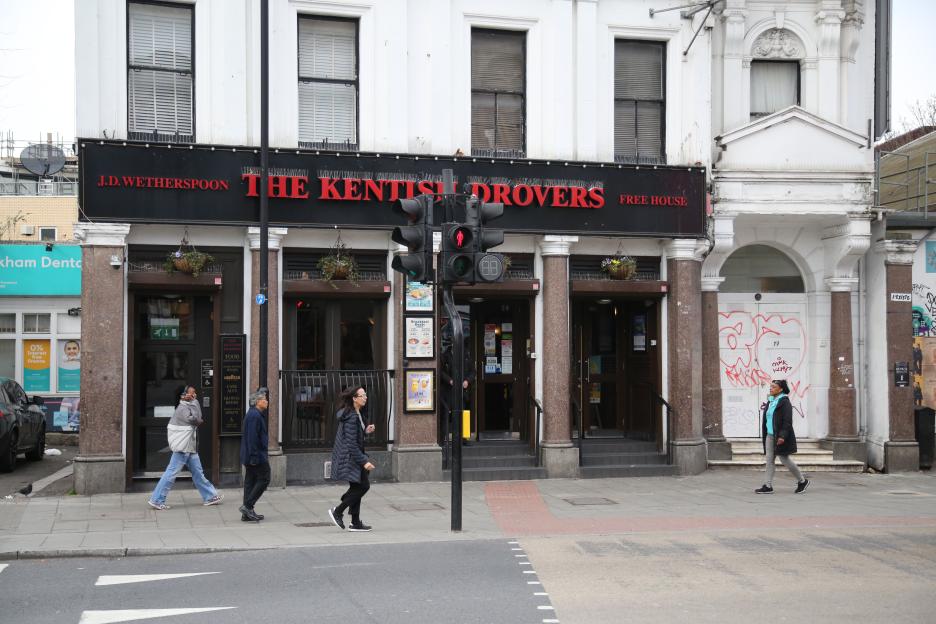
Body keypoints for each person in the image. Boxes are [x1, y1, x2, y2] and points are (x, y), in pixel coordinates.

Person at [147, 385, 223, 510]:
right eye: (191, 394)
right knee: (171, 473)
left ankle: (210, 496)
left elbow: (198, 416)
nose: (194, 395)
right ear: (184, 395)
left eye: (195, 393)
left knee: (198, 473)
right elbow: (197, 419)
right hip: (183, 448)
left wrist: (194, 402)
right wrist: (194, 402)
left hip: (189, 447)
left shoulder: (188, 405)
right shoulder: (182, 409)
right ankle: (157, 499)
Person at [327, 385, 376, 532]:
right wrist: (364, 461)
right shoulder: (351, 417)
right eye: (362, 396)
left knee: (357, 487)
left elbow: (354, 437)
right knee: (363, 486)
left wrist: (365, 431)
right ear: (354, 399)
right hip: (351, 458)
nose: (365, 398)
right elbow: (351, 444)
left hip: (353, 456)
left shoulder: (356, 413)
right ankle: (338, 511)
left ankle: (355, 522)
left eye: (365, 395)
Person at [755, 379, 809, 494]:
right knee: (769, 460)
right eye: (770, 386)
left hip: (780, 436)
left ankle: (802, 481)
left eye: (773, 387)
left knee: (784, 459)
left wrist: (782, 436)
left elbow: (787, 421)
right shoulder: (771, 401)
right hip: (770, 435)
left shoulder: (784, 402)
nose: (771, 388)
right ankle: (767, 486)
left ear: (780, 389)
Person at [240, 388, 271, 522]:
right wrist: (254, 456)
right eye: (264, 400)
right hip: (256, 455)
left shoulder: (254, 414)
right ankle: (247, 506)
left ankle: (247, 513)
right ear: (258, 402)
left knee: (250, 482)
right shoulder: (255, 416)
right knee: (265, 478)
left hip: (251, 454)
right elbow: (252, 438)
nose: (267, 402)